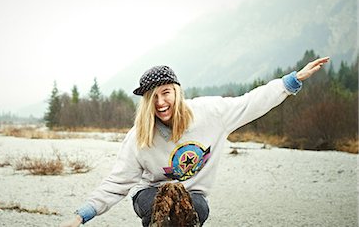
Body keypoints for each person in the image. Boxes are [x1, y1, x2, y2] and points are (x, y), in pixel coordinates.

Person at [60, 57, 330, 227]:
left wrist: (292, 81)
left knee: (194, 209)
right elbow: (117, 183)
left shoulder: (211, 113)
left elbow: (252, 103)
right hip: (150, 194)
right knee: (159, 206)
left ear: (177, 92)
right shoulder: (139, 136)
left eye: (165, 93)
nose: (161, 102)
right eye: (153, 97)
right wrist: (81, 215)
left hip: (194, 195)